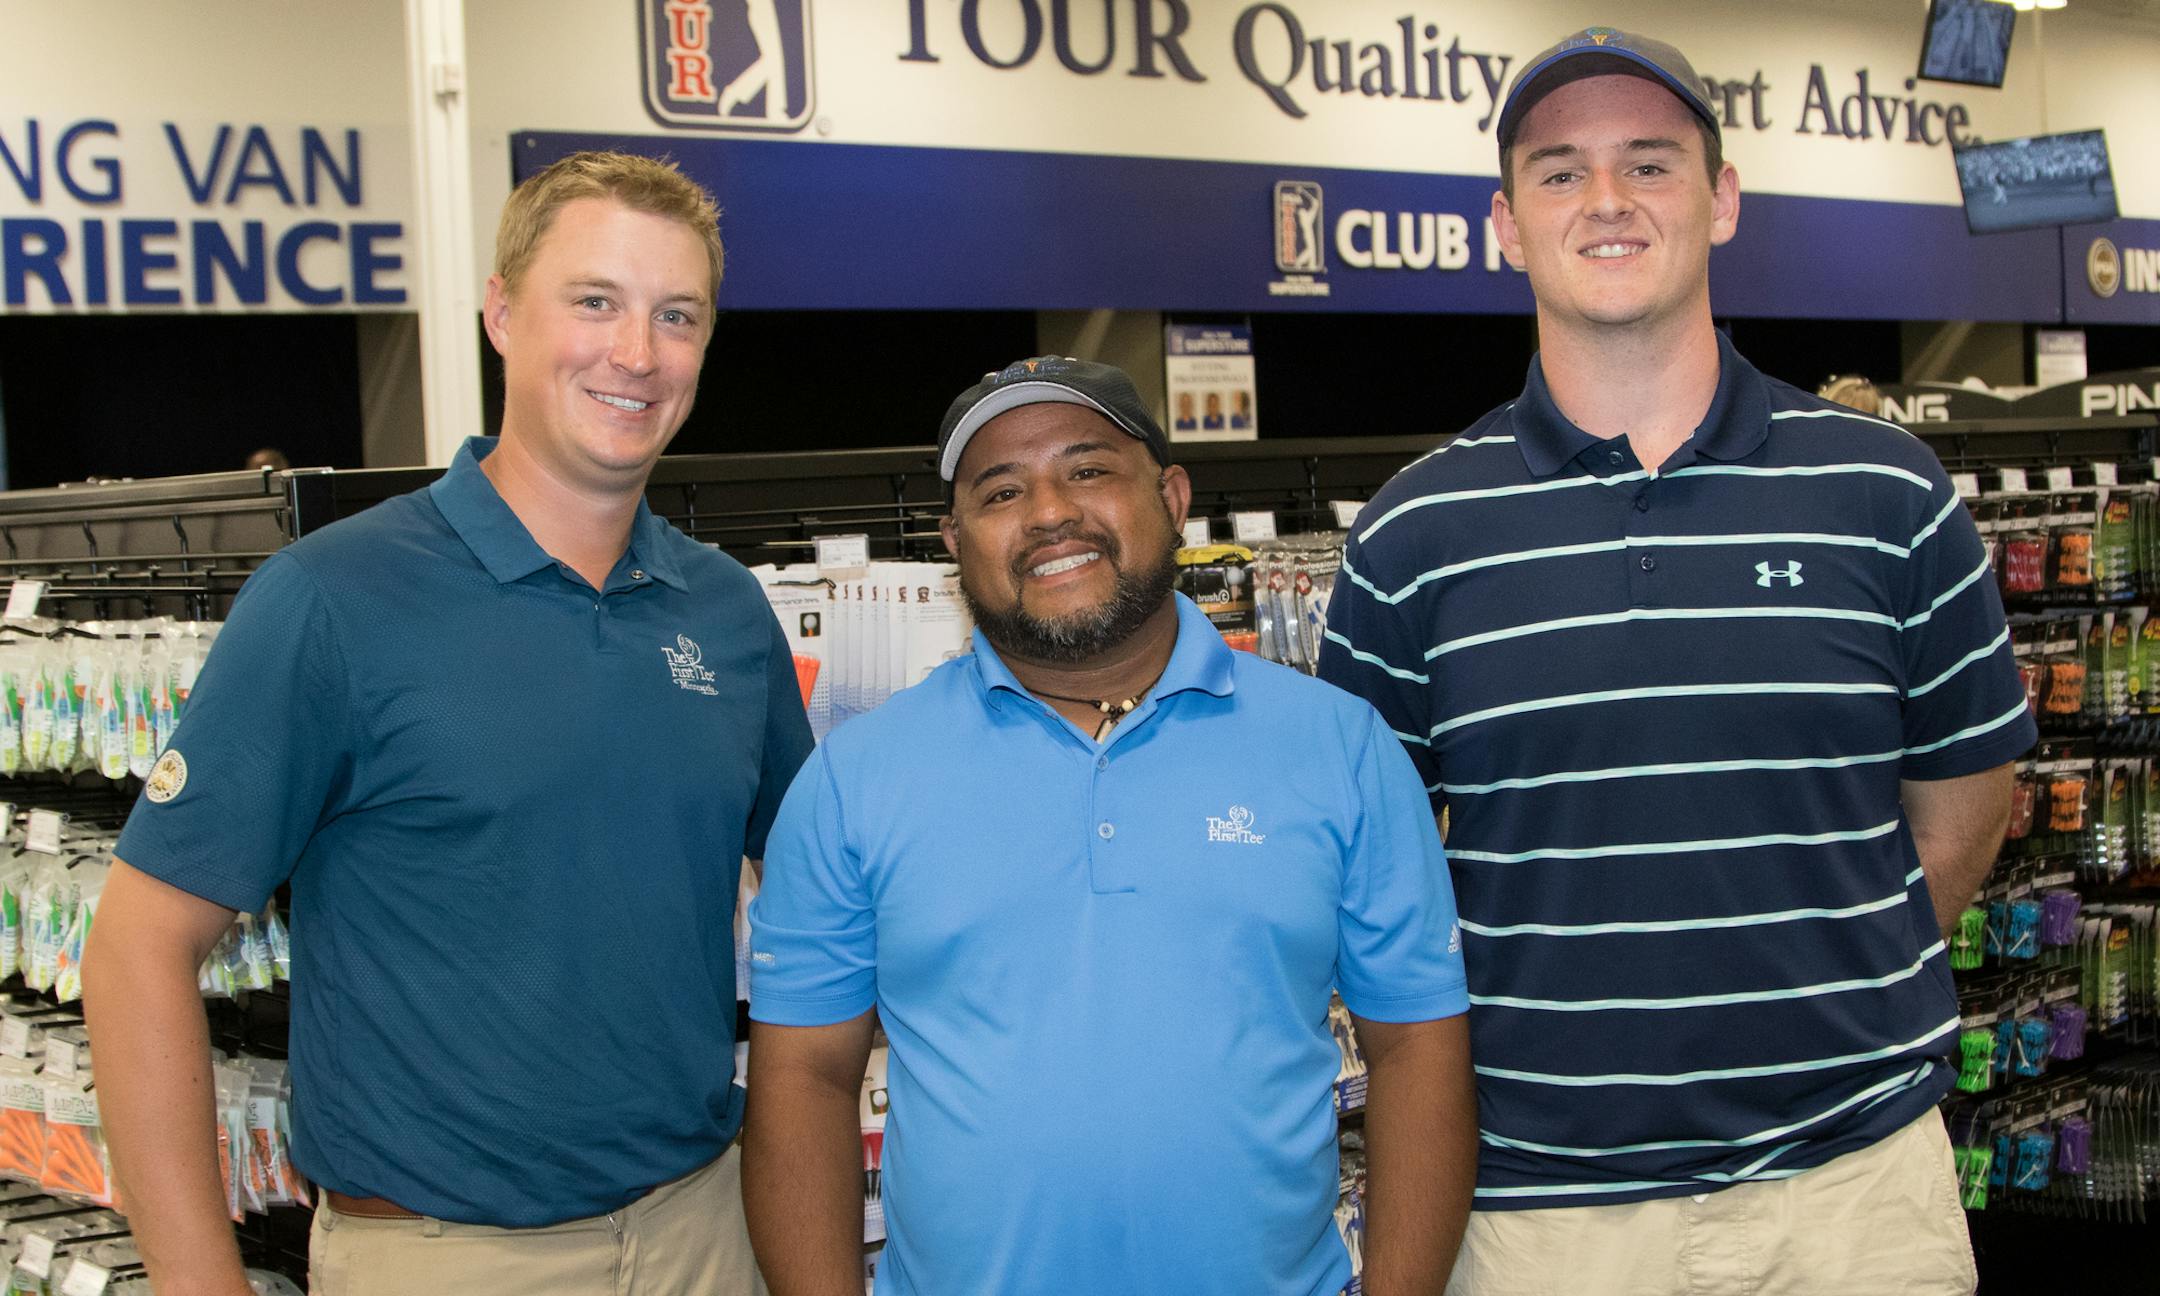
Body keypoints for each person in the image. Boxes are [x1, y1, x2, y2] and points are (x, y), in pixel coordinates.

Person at [1318, 28, 2031, 1296]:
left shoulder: (1887, 492)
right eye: (1559, 171)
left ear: (1724, 197)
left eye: (1650, 163)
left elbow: (1967, 802)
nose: (1606, 202)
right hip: (1539, 1218)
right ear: (1504, 222)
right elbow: (1366, 867)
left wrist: (1835, 977)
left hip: (1855, 1198)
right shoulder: (1412, 537)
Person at [82, 151, 812, 1296]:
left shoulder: (724, 612)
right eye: (595, 301)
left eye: (676, 315)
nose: (636, 352)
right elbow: (136, 948)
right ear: (502, 313)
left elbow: (821, 890)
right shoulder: (334, 600)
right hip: (442, 1258)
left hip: (705, 1237)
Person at [742, 356, 1475, 1295]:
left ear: (1171, 496)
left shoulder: (1339, 749)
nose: (1049, 511)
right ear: (952, 541)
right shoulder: (851, 782)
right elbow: (802, 1082)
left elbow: (1417, 1046)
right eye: (1000, 490)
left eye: (1087, 469)